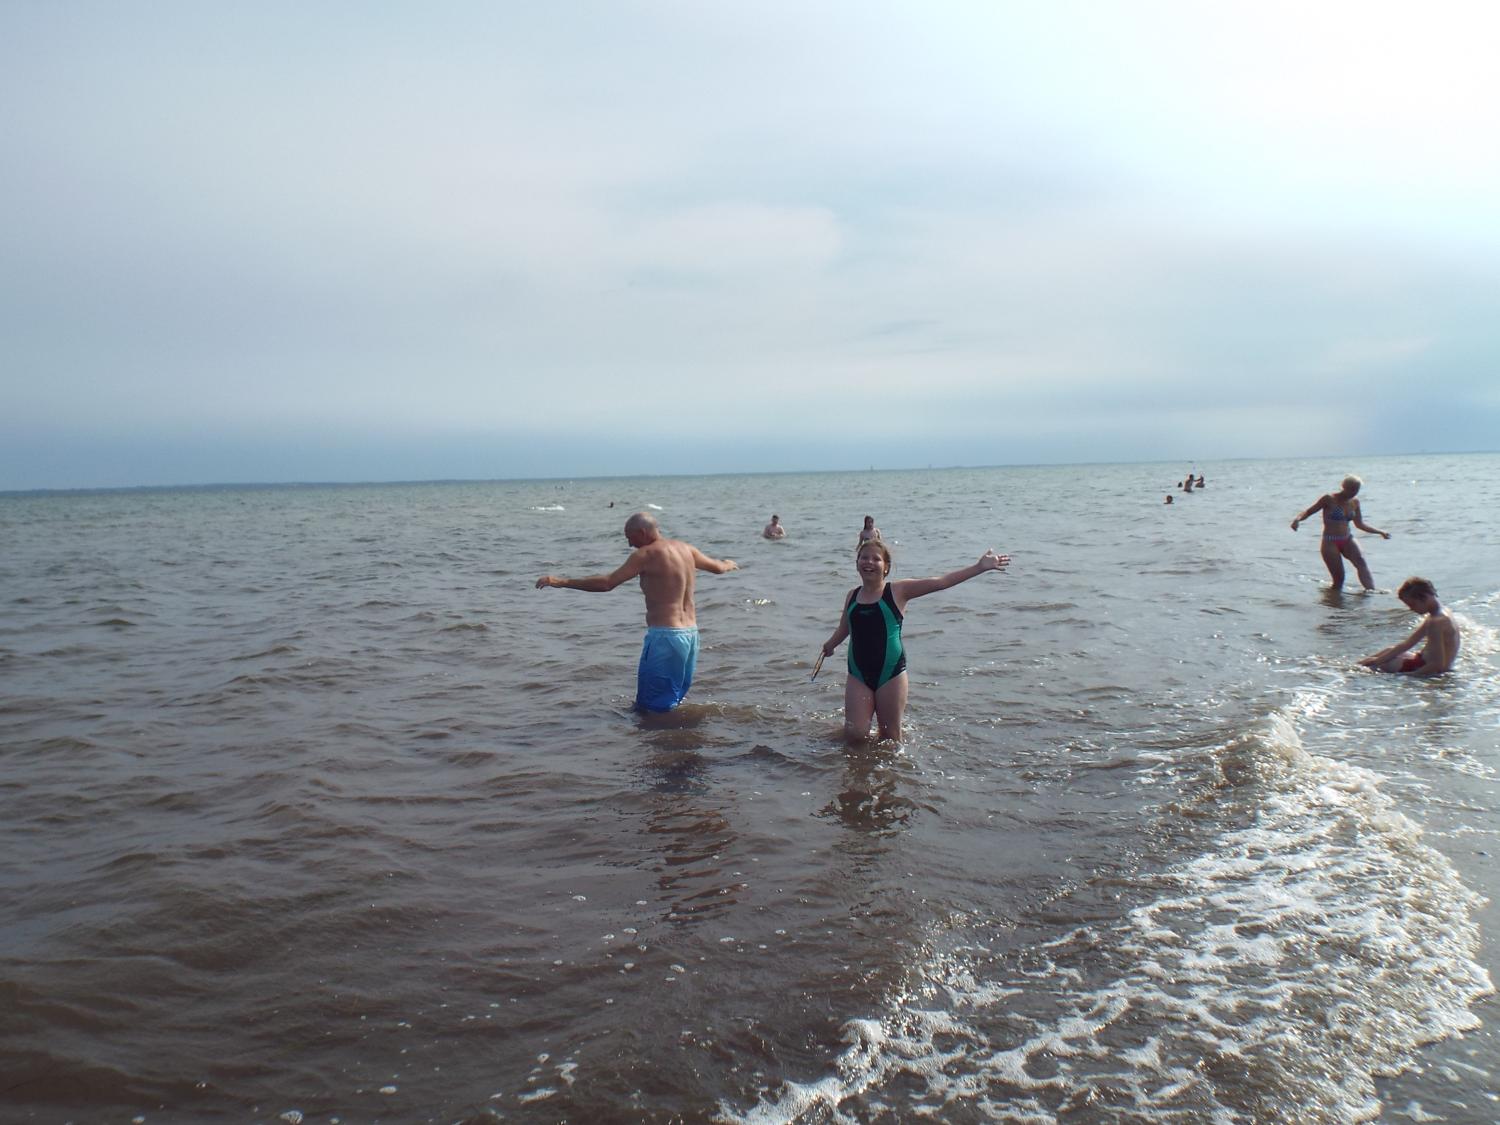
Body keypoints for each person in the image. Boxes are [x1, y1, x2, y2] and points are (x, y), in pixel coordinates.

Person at [535, 512, 738, 711]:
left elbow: (607, 583)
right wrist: (728, 564)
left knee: (650, 707)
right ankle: (678, 731)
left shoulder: (646, 555)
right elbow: (718, 568)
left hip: (666, 637)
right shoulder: (687, 549)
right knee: (672, 698)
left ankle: (656, 733)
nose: (629, 544)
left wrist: (560, 581)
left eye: (630, 538)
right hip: (691, 635)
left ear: (642, 532)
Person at [819, 539, 1009, 742]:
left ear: (886, 567)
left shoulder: (898, 591)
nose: (869, 562)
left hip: (890, 674)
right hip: (857, 673)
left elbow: (941, 582)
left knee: (890, 738)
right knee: (854, 735)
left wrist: (979, 567)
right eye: (864, 557)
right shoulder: (852, 595)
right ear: (857, 563)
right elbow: (845, 627)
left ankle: (891, 763)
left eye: (876, 559)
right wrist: (830, 645)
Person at [1290, 474, 1390, 590]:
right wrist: (1297, 520)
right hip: (1330, 542)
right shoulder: (1329, 499)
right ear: (1343, 487)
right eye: (1351, 489)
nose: (1354, 492)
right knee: (1339, 579)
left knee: (1361, 562)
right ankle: (1333, 599)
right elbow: (1308, 511)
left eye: (1356, 490)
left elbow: (1359, 524)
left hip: (1347, 539)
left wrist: (1380, 532)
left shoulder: (1355, 502)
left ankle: (1371, 592)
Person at [1359, 577, 1460, 676]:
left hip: (1425, 667)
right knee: (1388, 652)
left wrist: (1406, 677)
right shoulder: (1441, 612)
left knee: (1381, 666)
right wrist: (1376, 660)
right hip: (1421, 660)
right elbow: (1407, 644)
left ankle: (1357, 672)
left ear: (1425, 597)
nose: (1411, 609)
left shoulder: (1436, 622)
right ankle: (1358, 667)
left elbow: (1437, 665)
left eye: (1412, 604)